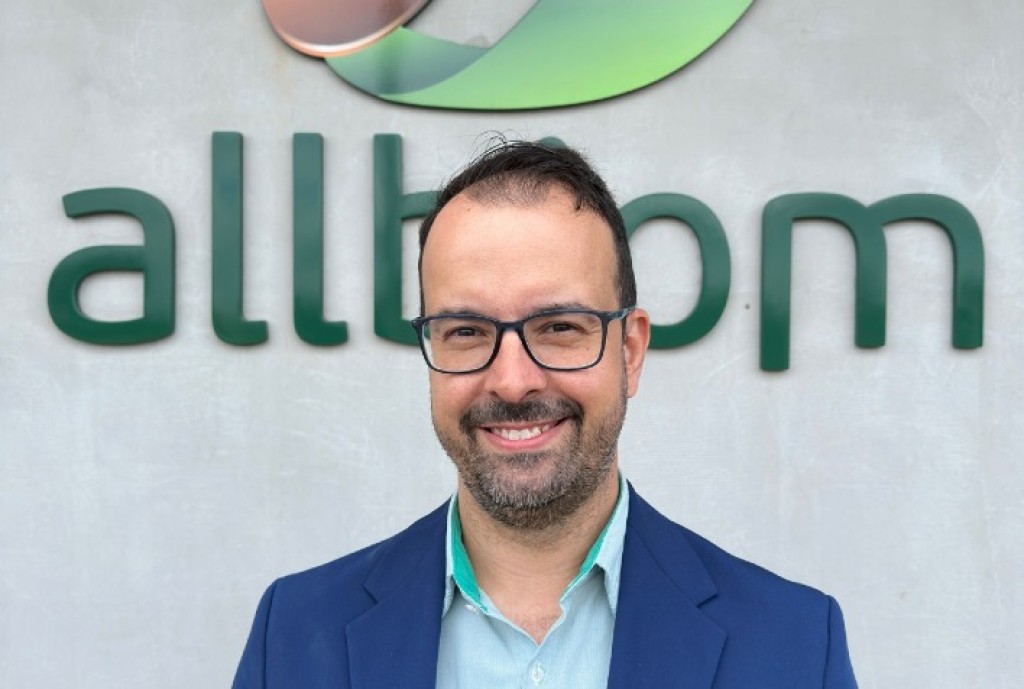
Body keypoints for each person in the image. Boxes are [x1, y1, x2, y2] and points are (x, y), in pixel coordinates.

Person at [232, 140, 858, 688]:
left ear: (630, 351)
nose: (512, 381)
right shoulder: (294, 632)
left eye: (559, 327)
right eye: (466, 331)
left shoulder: (796, 645)